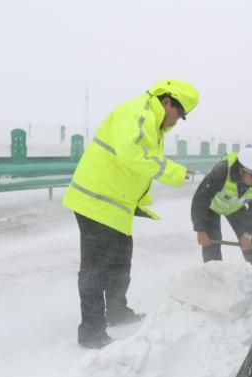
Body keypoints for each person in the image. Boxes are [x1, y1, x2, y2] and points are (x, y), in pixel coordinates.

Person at [63, 79, 199, 349]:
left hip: (113, 206)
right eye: (179, 113)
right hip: (96, 202)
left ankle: (116, 311)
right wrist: (174, 172)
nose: (177, 120)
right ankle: (91, 331)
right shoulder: (139, 113)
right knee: (95, 269)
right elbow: (131, 153)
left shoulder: (151, 121)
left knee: (120, 262)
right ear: (167, 101)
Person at [191, 148, 252, 267]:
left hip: (235, 208)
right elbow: (200, 199)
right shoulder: (222, 171)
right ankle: (215, 275)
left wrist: (247, 233)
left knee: (249, 244)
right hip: (212, 207)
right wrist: (200, 229)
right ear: (242, 170)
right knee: (212, 242)